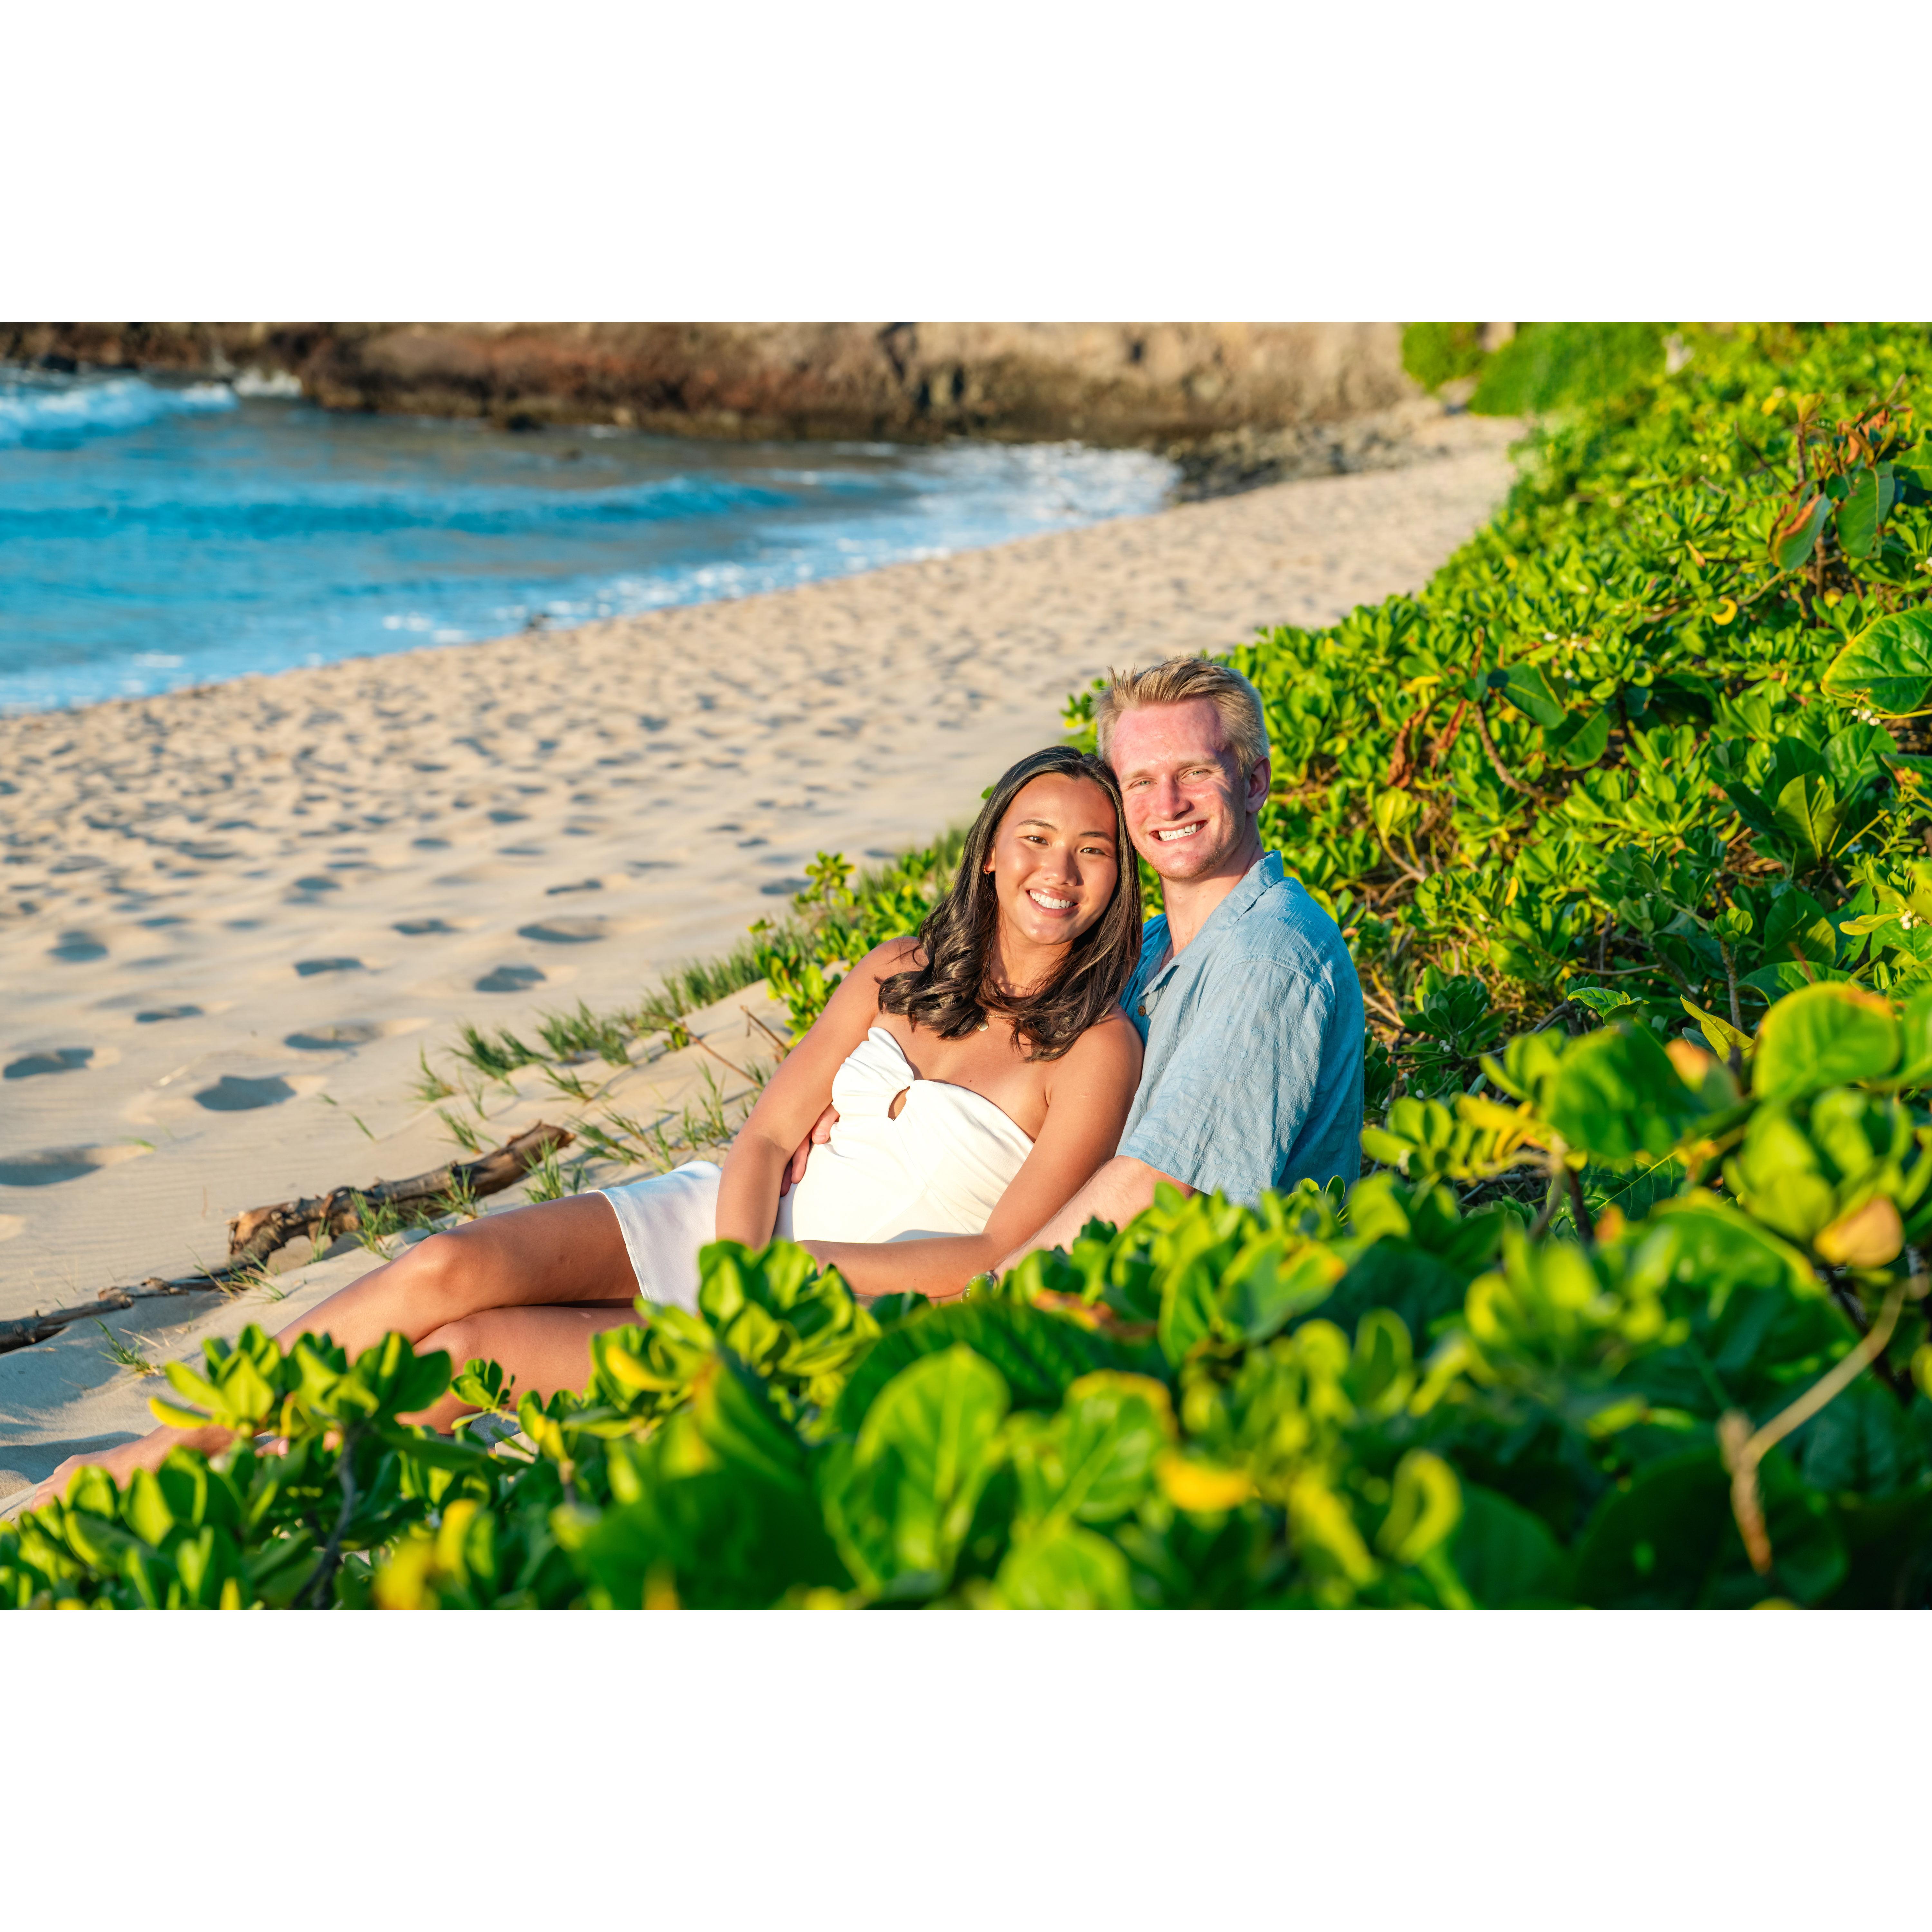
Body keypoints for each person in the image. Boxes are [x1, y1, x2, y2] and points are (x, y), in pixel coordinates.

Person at [27, 746, 1144, 1508]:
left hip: (817, 1315)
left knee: (466, 1357)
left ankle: (226, 1492)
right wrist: (739, 1258)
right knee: (449, 1260)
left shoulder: (1096, 1051)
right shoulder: (896, 971)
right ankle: (153, 1456)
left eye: (1092, 851)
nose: (1057, 871)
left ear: (1116, 883)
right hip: (725, 1225)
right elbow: (764, 1140)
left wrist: (775, 1287)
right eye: (1036, 838)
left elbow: (1002, 1255)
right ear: (992, 850)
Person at [783, 655, 1364, 1261]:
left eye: (1193, 773)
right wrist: (866, 1108)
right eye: (1140, 781)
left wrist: (987, 1294)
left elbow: (1158, 1184)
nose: (1167, 805)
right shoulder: (1153, 951)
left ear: (1254, 783)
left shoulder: (1266, 956)